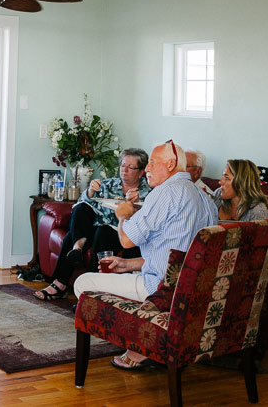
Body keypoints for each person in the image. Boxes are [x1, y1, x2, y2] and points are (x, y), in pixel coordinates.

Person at [74, 140, 218, 369]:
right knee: (118, 272)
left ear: (171, 165)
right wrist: (128, 264)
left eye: (151, 163)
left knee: (83, 282)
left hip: (158, 289)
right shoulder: (205, 199)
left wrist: (123, 215)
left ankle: (144, 342)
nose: (147, 169)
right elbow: (178, 255)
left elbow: (126, 239)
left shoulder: (164, 193)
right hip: (188, 289)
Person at [34, 148, 152, 301]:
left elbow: (147, 219)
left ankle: (85, 292)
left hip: (120, 233)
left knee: (95, 233)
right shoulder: (109, 184)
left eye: (131, 167)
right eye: (123, 165)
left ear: (141, 172)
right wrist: (89, 191)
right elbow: (84, 202)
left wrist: (132, 205)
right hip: (96, 227)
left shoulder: (148, 192)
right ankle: (77, 248)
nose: (125, 170)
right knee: (81, 208)